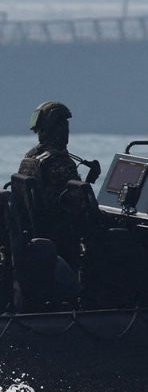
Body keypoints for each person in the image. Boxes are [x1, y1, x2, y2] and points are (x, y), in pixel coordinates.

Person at [16, 101, 101, 267]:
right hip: (61, 233)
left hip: (39, 231)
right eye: (64, 125)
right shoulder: (59, 161)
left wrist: (88, 181)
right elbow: (80, 207)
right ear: (57, 128)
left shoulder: (31, 156)